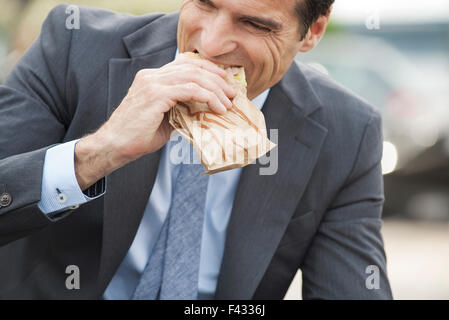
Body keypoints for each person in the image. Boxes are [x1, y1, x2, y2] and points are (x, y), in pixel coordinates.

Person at [0, 0, 393, 299]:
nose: (211, 44)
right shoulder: (72, 47)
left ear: (312, 32)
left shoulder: (349, 131)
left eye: (255, 24)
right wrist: (101, 151)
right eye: (205, 3)